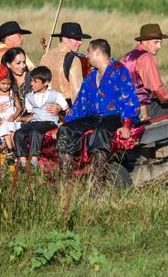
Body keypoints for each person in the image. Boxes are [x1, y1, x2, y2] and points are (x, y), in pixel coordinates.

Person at [56, 39, 140, 194]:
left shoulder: (119, 70)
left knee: (100, 133)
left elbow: (129, 98)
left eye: (88, 51)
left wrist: (126, 125)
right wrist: (66, 123)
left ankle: (97, 188)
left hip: (114, 117)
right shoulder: (90, 77)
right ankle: (65, 185)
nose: (86, 55)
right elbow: (80, 105)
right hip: (95, 118)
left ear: (97, 52)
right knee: (66, 131)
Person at [120, 23, 168, 120]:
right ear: (144, 41)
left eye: (160, 42)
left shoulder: (126, 57)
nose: (159, 46)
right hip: (142, 108)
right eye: (156, 42)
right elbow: (157, 87)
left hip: (123, 106)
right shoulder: (147, 57)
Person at [13, 66, 68, 172]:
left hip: (49, 122)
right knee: (19, 133)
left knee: (36, 132)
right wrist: (22, 119)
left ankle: (34, 161)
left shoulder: (55, 95)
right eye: (31, 81)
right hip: (35, 121)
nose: (32, 84)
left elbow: (67, 110)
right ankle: (23, 162)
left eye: (35, 81)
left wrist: (60, 109)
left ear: (46, 82)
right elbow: (31, 114)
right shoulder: (29, 97)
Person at [39, 21, 91, 105]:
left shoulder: (46, 56)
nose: (80, 42)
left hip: (45, 109)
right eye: (77, 39)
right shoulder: (74, 60)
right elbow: (78, 94)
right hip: (66, 111)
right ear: (65, 38)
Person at [0, 64, 22, 151]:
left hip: (11, 115)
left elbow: (18, 107)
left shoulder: (11, 92)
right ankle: (10, 150)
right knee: (4, 126)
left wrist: (14, 116)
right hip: (0, 117)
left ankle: (16, 149)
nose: (6, 86)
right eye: (3, 83)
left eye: (9, 84)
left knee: (11, 129)